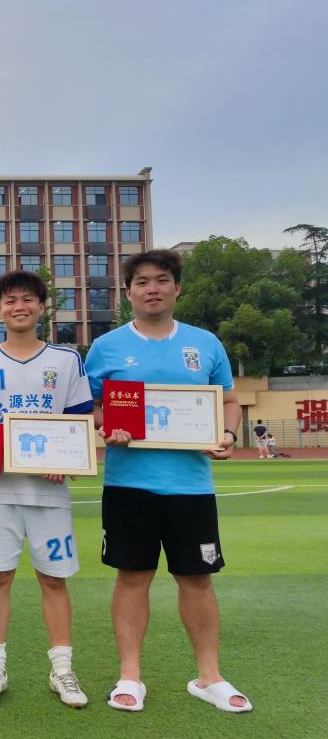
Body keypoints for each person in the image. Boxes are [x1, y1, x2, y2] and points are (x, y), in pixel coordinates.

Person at [85, 249, 252, 713]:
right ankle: (130, 676)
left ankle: (209, 677)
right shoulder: (106, 347)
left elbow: (229, 401)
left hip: (191, 486)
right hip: (129, 484)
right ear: (128, 292)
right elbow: (92, 405)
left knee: (197, 579)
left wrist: (227, 434)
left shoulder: (204, 343)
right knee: (132, 578)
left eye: (161, 280)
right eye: (141, 282)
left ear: (177, 288)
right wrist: (107, 424)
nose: (152, 289)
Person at [0, 271, 93, 708]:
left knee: (53, 580)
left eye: (27, 299)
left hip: (49, 494)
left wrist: (65, 458)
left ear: (41, 306)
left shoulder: (67, 359)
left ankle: (63, 670)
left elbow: (79, 420)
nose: (18, 307)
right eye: (10, 300)